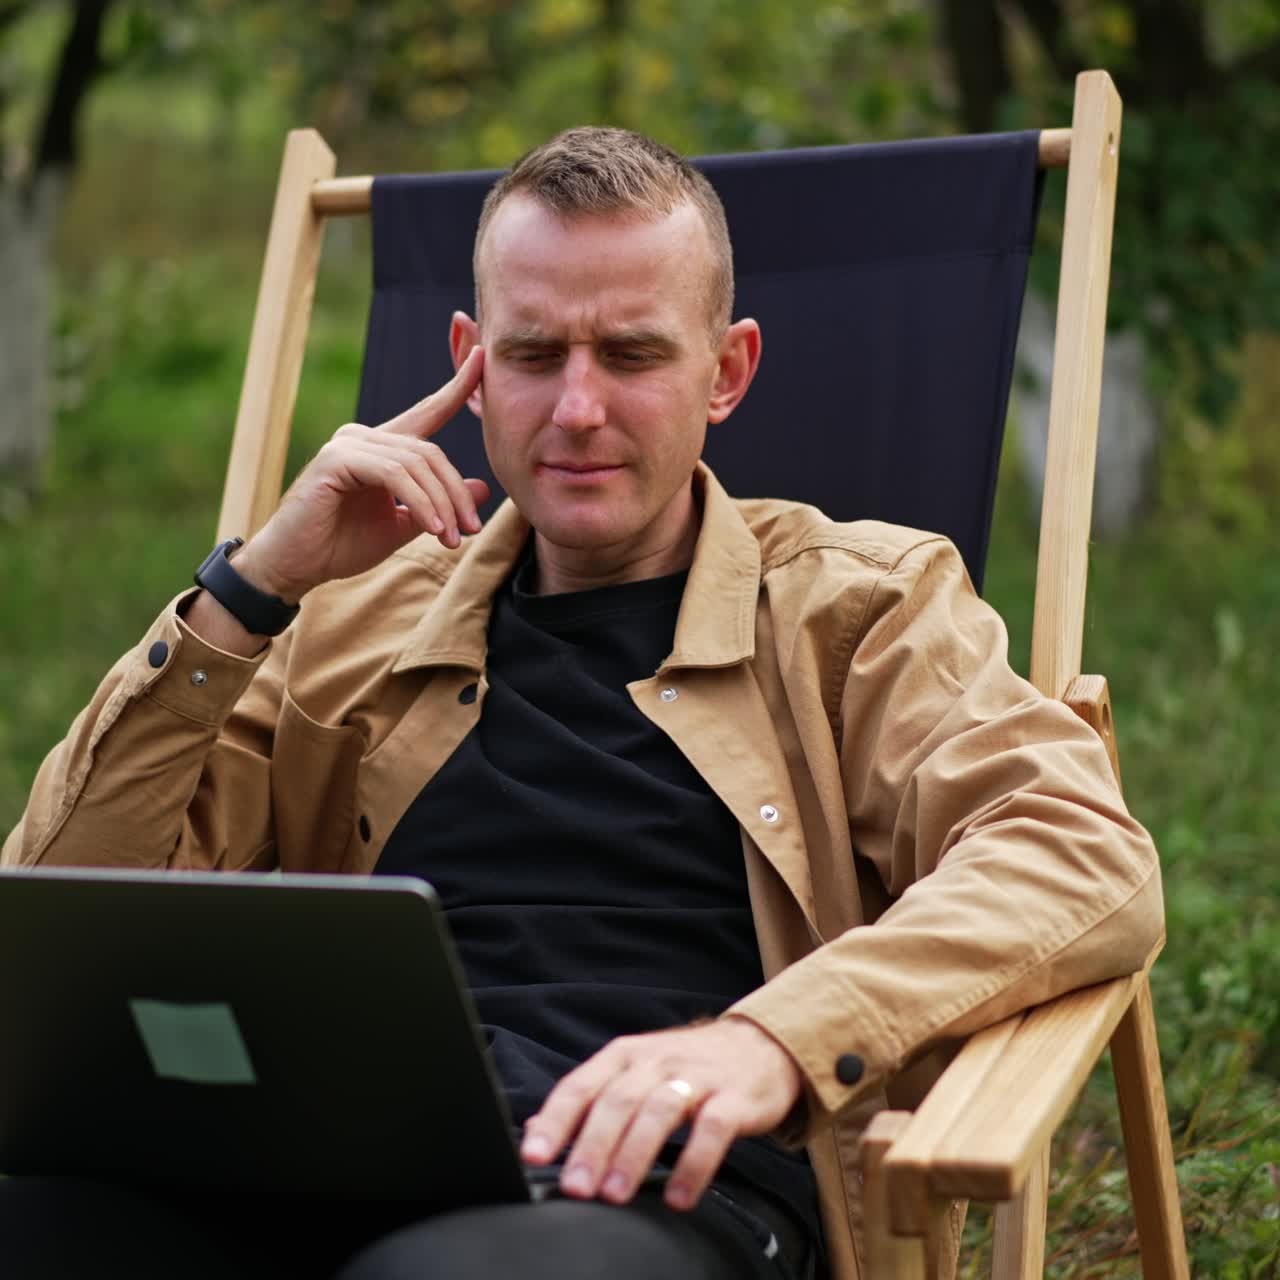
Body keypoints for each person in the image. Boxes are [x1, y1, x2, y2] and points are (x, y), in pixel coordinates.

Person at [2, 127, 1162, 1280]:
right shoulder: (342, 622)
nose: (575, 407)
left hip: (660, 1183)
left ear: (726, 371)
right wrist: (248, 591)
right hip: (338, 1155)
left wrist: (772, 1040)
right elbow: (61, 914)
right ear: (469, 360)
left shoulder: (855, 611)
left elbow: (1073, 849)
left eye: (632, 354)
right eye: (534, 352)